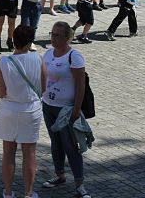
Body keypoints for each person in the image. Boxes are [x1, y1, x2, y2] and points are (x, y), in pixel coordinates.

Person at [0, 25, 46, 198]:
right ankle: (28, 193)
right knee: (30, 153)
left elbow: (1, 93)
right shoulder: (38, 59)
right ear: (29, 43)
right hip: (31, 110)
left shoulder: (3, 62)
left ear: (13, 40)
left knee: (8, 152)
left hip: (9, 110)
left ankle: (8, 192)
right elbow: (43, 87)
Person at [41, 21, 90, 198]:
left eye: (57, 35)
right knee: (56, 144)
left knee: (71, 146)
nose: (53, 38)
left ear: (67, 37)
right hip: (48, 106)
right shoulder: (47, 54)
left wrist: (76, 109)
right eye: (51, 34)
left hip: (66, 109)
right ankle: (59, 175)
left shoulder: (74, 57)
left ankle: (79, 184)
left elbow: (80, 85)